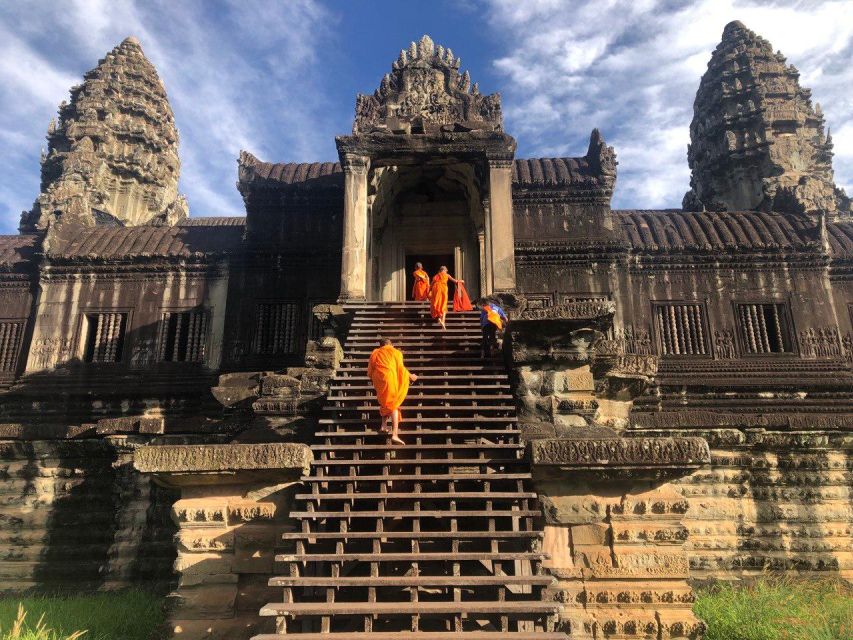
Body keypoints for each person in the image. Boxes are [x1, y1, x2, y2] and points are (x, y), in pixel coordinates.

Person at [367, 338, 418, 445]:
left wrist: (376, 379)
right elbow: (401, 368)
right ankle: (395, 434)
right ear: (391, 345)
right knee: (393, 404)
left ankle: (383, 426)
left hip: (378, 379)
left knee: (385, 401)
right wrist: (410, 376)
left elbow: (370, 372)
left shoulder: (375, 353)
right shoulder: (395, 352)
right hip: (389, 377)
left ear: (381, 345)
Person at [429, 265, 463, 330]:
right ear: (444, 270)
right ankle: (443, 321)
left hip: (436, 290)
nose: (446, 271)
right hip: (443, 290)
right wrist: (461, 281)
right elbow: (455, 281)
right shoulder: (447, 275)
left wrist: (428, 292)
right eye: (446, 270)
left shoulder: (435, 276)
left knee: (437, 305)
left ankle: (439, 319)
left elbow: (431, 285)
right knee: (444, 306)